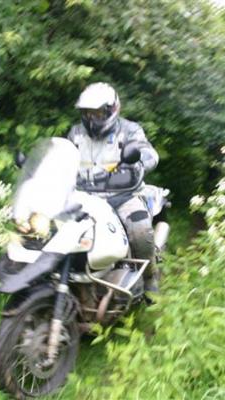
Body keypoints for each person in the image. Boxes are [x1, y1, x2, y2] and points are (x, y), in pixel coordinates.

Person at [66, 82, 160, 292]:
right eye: (87, 113)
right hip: (84, 197)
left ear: (112, 110)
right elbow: (64, 156)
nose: (92, 118)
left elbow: (149, 153)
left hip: (122, 195)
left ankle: (150, 277)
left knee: (140, 229)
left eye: (98, 113)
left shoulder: (129, 130)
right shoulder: (76, 133)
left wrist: (140, 161)